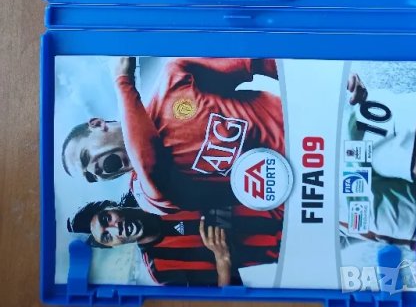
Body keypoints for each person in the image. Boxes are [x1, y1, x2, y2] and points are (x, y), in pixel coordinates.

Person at [62, 58, 285, 213]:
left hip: (300, 129)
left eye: (85, 157)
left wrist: (301, 85)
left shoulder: (175, 77)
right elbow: (150, 164)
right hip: (296, 188)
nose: (95, 172)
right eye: (91, 178)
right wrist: (122, 81)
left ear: (98, 124)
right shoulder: (147, 197)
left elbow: (258, 63)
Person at [67, 193, 283, 287]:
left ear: (112, 206)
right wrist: (222, 260)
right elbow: (223, 298)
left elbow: (221, 182)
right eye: (107, 236)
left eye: (107, 219)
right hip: (285, 260)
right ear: (113, 245)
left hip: (286, 207)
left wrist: (220, 216)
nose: (116, 228)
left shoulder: (161, 191)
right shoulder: (162, 272)